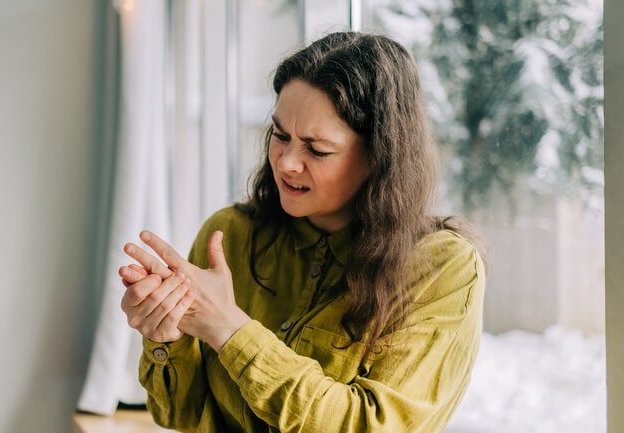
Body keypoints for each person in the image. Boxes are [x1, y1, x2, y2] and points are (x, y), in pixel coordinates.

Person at [118, 31, 486, 433]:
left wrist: (228, 328)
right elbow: (181, 416)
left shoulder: (442, 267)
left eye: (317, 149)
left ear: (380, 156)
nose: (287, 163)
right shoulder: (229, 234)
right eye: (280, 136)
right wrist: (165, 335)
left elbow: (373, 425)